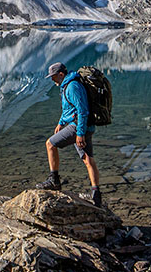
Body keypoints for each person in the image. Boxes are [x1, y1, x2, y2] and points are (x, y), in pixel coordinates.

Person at [36, 62, 102, 206]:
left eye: (53, 77)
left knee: (50, 144)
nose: (52, 80)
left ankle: (54, 180)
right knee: (87, 159)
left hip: (78, 126)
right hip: (84, 126)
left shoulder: (72, 86)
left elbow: (82, 110)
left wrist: (80, 134)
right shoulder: (68, 85)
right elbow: (68, 108)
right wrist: (61, 123)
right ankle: (96, 195)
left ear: (61, 75)